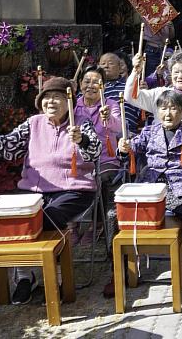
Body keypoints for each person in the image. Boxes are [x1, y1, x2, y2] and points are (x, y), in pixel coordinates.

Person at [0, 77, 100, 305]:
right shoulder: (33, 123)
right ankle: (26, 276)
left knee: (47, 218)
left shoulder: (81, 122)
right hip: (34, 191)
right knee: (13, 218)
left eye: (57, 97)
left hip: (73, 189)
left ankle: (56, 278)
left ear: (69, 101)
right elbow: (8, 147)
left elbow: (95, 153)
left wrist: (82, 140)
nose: (51, 102)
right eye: (46, 97)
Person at [117, 90, 182, 295]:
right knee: (114, 216)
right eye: (163, 108)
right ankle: (118, 271)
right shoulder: (149, 131)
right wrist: (124, 148)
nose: (168, 113)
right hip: (150, 187)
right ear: (157, 110)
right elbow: (130, 152)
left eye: (174, 108)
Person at [74, 66, 123, 253]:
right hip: (79, 160)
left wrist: (109, 118)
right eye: (87, 81)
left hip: (105, 158)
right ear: (80, 84)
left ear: (103, 86)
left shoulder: (110, 104)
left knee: (100, 179)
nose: (91, 85)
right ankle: (71, 226)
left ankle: (97, 224)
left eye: (96, 82)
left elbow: (119, 128)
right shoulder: (73, 106)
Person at [98, 52, 140, 132]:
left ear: (120, 68)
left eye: (110, 63)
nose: (106, 66)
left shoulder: (129, 86)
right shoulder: (96, 89)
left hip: (127, 131)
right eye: (103, 64)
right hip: (102, 131)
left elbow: (141, 110)